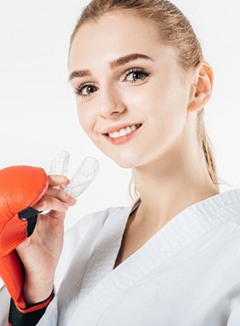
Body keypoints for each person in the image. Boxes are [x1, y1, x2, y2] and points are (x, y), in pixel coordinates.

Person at [1, 0, 240, 325]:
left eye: (134, 74)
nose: (107, 106)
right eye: (87, 88)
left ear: (198, 86)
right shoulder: (79, 240)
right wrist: (35, 296)